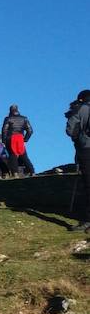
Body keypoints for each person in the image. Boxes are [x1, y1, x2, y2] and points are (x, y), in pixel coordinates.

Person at [66, 89, 90, 233]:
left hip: (86, 148)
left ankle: (87, 221)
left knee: (88, 184)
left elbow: (70, 130)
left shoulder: (80, 109)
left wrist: (79, 138)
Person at [1, 104, 35, 177]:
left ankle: (15, 173)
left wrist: (4, 141)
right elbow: (30, 131)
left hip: (10, 139)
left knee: (12, 155)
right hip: (20, 138)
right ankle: (32, 171)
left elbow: (4, 130)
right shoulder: (24, 118)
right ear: (17, 110)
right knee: (23, 155)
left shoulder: (8, 119)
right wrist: (25, 140)